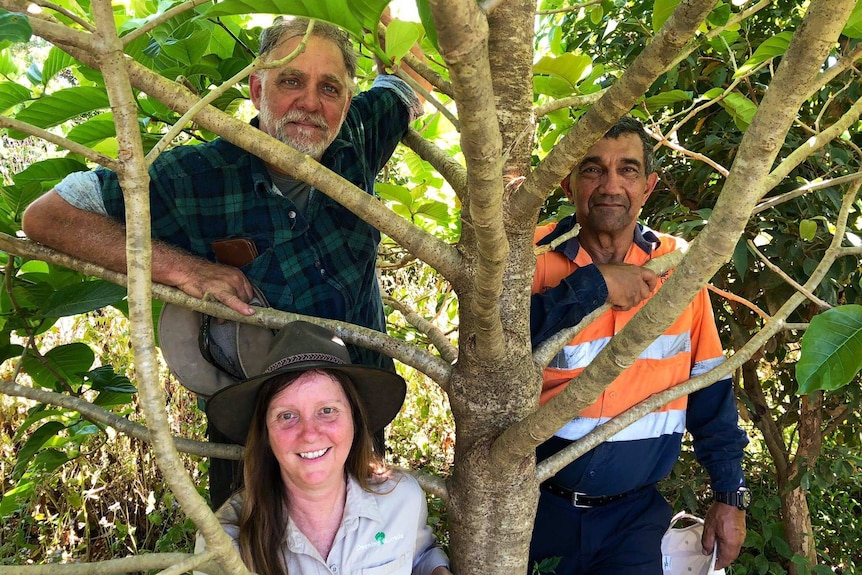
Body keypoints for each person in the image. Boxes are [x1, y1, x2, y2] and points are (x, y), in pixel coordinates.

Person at [21, 16, 423, 508]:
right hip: (250, 428)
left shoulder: (357, 134)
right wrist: (184, 269)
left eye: (330, 87)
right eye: (291, 80)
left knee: (370, 541)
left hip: (357, 408)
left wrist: (390, 29)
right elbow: (49, 217)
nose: (311, 103)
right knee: (250, 551)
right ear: (256, 88)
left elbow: (406, 86)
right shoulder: (196, 176)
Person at [528, 117, 749, 574]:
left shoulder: (678, 267)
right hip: (532, 510)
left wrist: (730, 496)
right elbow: (490, 354)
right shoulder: (528, 254)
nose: (611, 185)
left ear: (647, 187)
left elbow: (709, 390)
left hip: (633, 522)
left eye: (627, 170)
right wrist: (594, 285)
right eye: (593, 169)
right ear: (568, 183)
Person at [195, 320, 453, 575]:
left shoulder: (401, 499)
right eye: (287, 416)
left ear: (354, 419)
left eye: (327, 411)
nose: (309, 434)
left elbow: (419, 555)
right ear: (265, 432)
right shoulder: (223, 542)